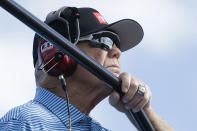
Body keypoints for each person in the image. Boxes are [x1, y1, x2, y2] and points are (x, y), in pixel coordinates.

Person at [0, 7, 174, 131]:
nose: (118, 52)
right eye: (105, 41)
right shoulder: (23, 123)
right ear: (56, 54)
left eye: (117, 45)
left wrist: (143, 111)